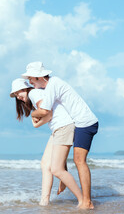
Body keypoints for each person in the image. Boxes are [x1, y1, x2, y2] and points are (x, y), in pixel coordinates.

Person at [22, 62, 99, 210]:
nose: (30, 82)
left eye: (31, 78)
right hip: (79, 123)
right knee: (76, 161)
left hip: (85, 123)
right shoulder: (50, 85)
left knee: (79, 161)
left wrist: (33, 114)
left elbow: (44, 111)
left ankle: (86, 202)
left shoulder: (53, 84)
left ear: (38, 77)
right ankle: (85, 200)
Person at [10, 78, 83, 207]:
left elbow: (48, 114)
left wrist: (35, 121)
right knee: (45, 164)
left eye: (18, 93)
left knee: (56, 169)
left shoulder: (34, 93)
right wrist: (36, 120)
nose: (18, 97)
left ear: (25, 88)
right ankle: (44, 201)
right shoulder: (35, 94)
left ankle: (83, 200)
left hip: (63, 126)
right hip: (58, 128)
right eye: (15, 95)